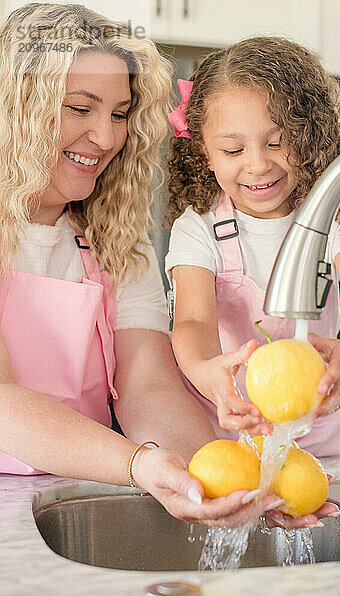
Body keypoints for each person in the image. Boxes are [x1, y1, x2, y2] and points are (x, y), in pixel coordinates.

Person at [0, 3, 322, 530]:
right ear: (17, 107)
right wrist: (139, 465)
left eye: (119, 114)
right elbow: (3, 402)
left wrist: (229, 485)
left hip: (81, 499)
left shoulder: (118, 245)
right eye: (80, 109)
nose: (105, 138)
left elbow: (148, 384)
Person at [166, 37, 340, 458]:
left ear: (309, 135)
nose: (257, 164)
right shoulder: (197, 228)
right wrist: (207, 374)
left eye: (276, 142)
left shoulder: (333, 212)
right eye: (233, 149)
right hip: (224, 432)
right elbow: (194, 320)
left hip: (316, 437)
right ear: (204, 151)